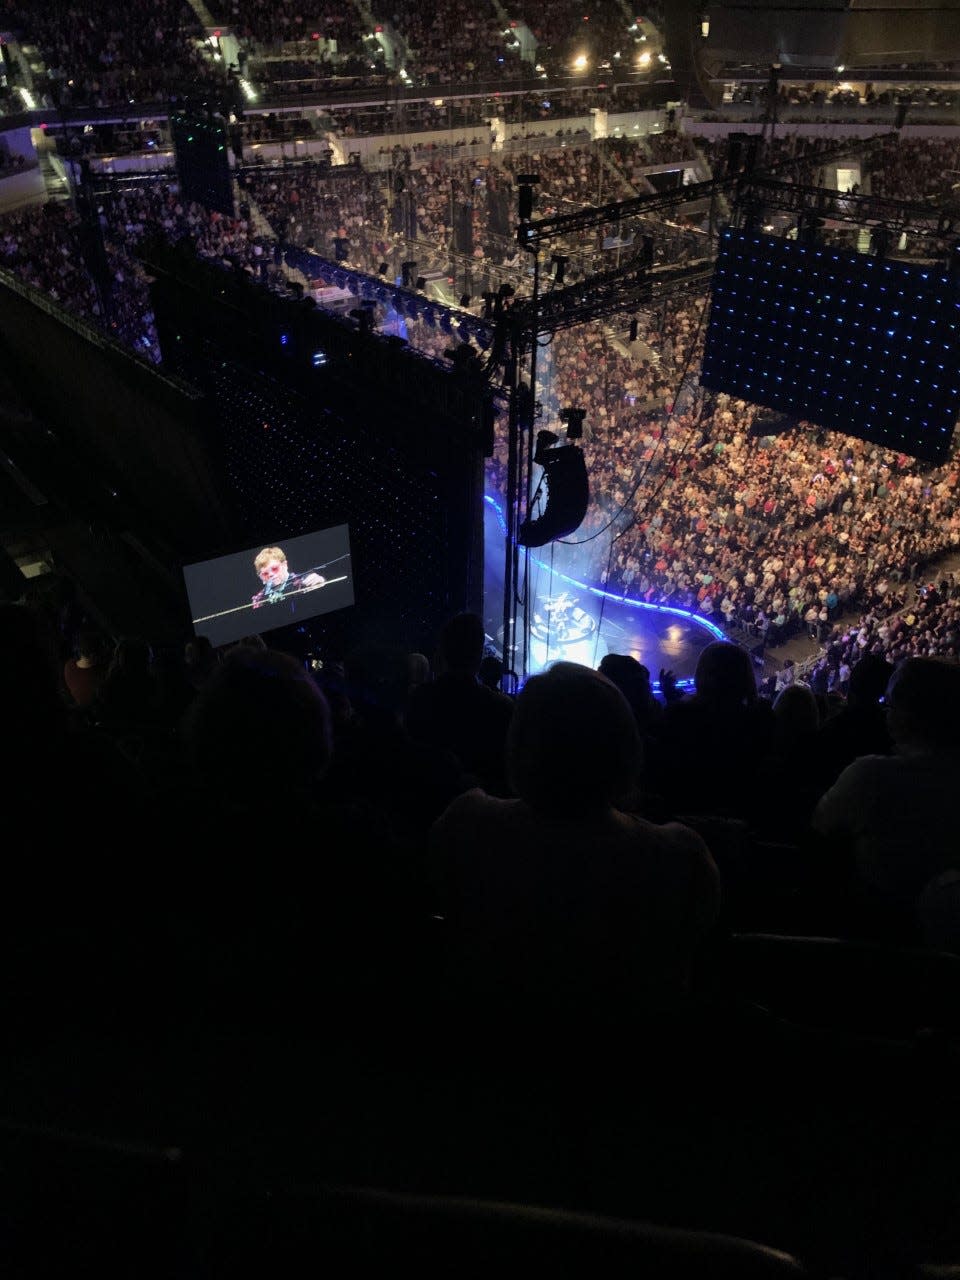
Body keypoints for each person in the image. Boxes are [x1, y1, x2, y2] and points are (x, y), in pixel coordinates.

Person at [250, 546, 325, 609]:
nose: (271, 575)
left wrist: (320, 581)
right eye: (265, 573)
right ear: (261, 578)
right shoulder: (259, 598)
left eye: (274, 568)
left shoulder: (302, 580)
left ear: (285, 565)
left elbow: (314, 581)